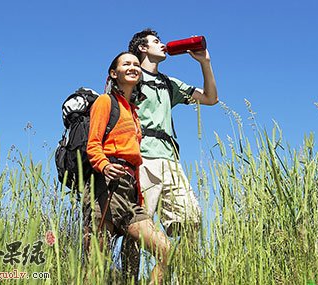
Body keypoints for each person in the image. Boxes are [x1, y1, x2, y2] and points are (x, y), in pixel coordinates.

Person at [121, 28, 218, 280]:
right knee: (140, 226)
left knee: (190, 221)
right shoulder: (131, 75)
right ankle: (128, 279)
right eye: (156, 42)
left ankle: (167, 277)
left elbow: (210, 98)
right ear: (142, 48)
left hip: (171, 161)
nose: (163, 45)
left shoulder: (168, 83)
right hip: (141, 159)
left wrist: (205, 62)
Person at [85, 51, 171, 284]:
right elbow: (92, 144)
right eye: (126, 64)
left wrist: (138, 193)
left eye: (136, 64)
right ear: (114, 73)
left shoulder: (133, 112)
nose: (133, 67)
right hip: (107, 187)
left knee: (166, 251)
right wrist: (103, 166)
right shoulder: (105, 101)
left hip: (130, 191)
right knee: (96, 266)